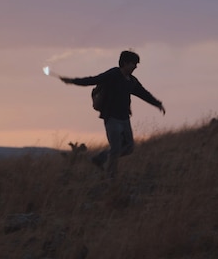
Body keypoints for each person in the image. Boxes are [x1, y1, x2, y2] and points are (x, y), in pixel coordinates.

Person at [60, 50, 166, 178]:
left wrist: (157, 104)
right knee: (116, 148)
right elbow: (93, 80)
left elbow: (143, 93)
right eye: (134, 64)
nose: (136, 67)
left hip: (125, 118)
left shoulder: (132, 81)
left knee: (129, 147)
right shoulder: (113, 74)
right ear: (125, 63)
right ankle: (111, 177)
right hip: (111, 118)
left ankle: (100, 158)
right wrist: (72, 81)